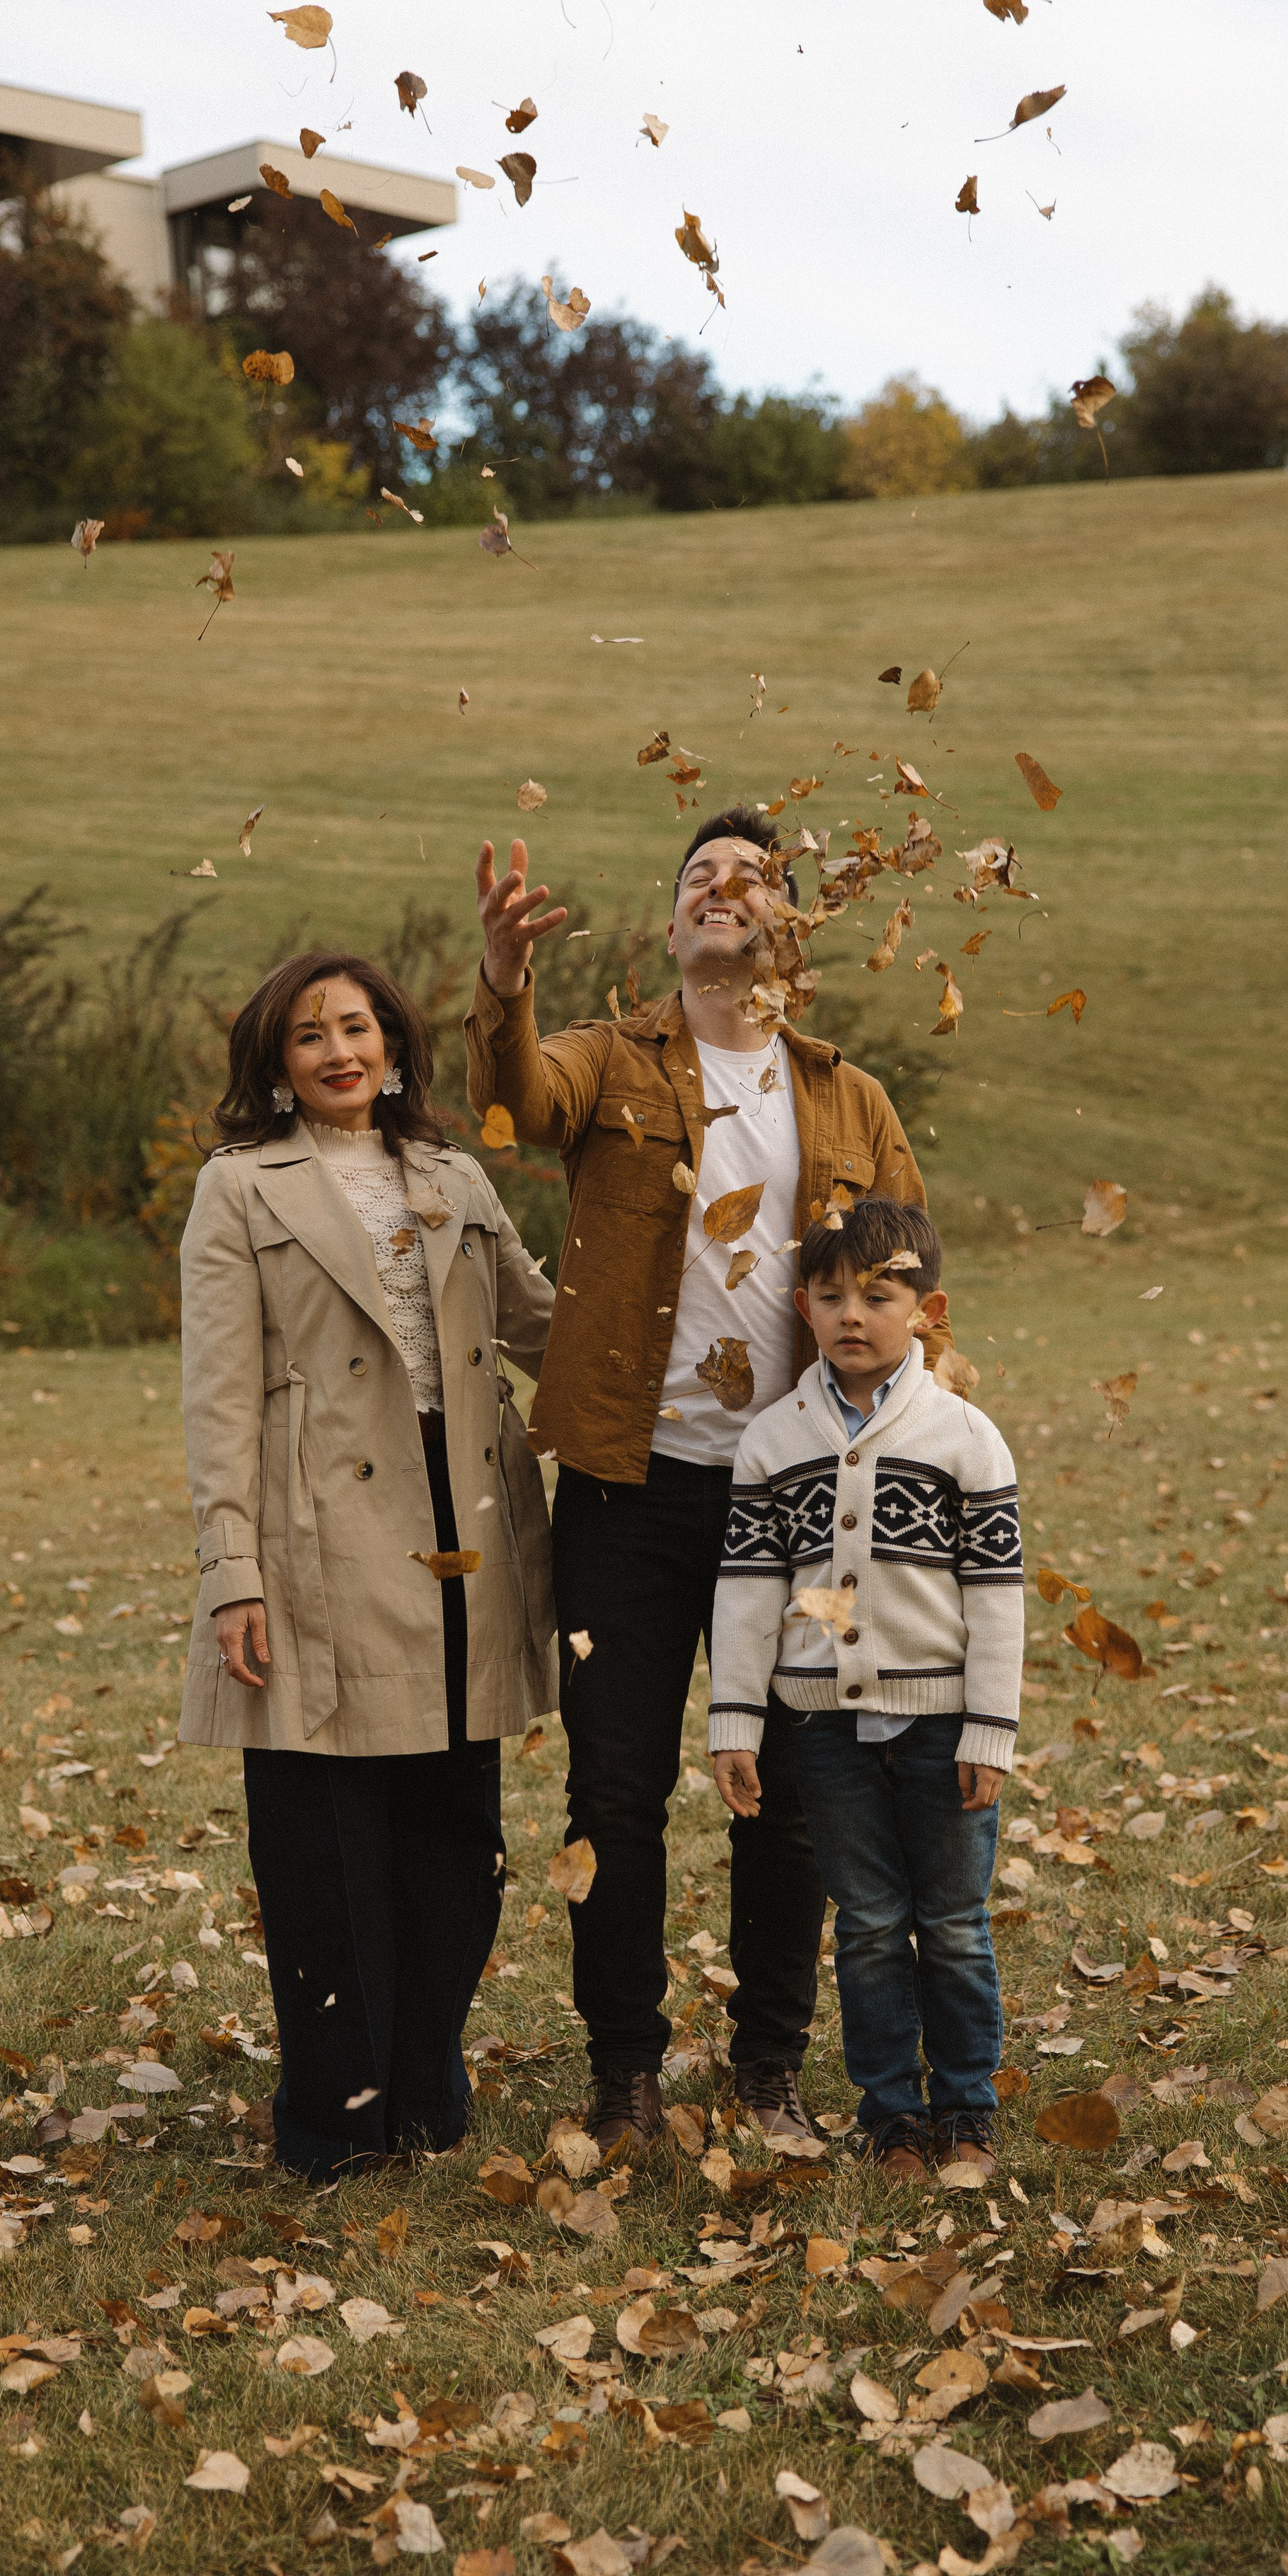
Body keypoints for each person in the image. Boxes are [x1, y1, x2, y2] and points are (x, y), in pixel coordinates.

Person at [466, 805, 942, 2159]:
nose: (721, 891)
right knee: (612, 1794)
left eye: (752, 879)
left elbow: (911, 1288)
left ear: (790, 925)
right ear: (671, 926)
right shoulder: (611, 1061)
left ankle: (769, 2074)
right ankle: (625, 2080)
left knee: (791, 1792)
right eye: (698, 878)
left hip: (800, 1501)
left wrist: (916, 1442)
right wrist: (503, 982)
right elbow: (514, 1101)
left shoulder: (849, 1098)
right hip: (632, 1487)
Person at [177, 950, 556, 2185]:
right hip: (317, 1537)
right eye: (308, 1036)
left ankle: (427, 2097)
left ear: (395, 1044)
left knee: (456, 1837)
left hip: (467, 1525)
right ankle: (334, 2119)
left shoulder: (456, 1177)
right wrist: (232, 1565)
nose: (340, 1051)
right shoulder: (238, 1190)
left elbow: (548, 1327)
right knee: (325, 1850)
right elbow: (219, 1395)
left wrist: (714, 1340)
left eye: (359, 1027)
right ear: (276, 1066)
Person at [708, 1198, 1023, 2186]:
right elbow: (750, 1593)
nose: (853, 1315)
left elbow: (999, 1597)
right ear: (803, 1306)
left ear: (925, 1310)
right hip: (829, 1733)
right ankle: (890, 2117)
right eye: (832, 1296)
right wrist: (736, 1719)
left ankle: (966, 2106)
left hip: (944, 1733)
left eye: (877, 1296)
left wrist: (990, 1730)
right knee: (874, 1925)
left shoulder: (964, 1438)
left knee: (957, 1924)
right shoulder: (775, 1441)